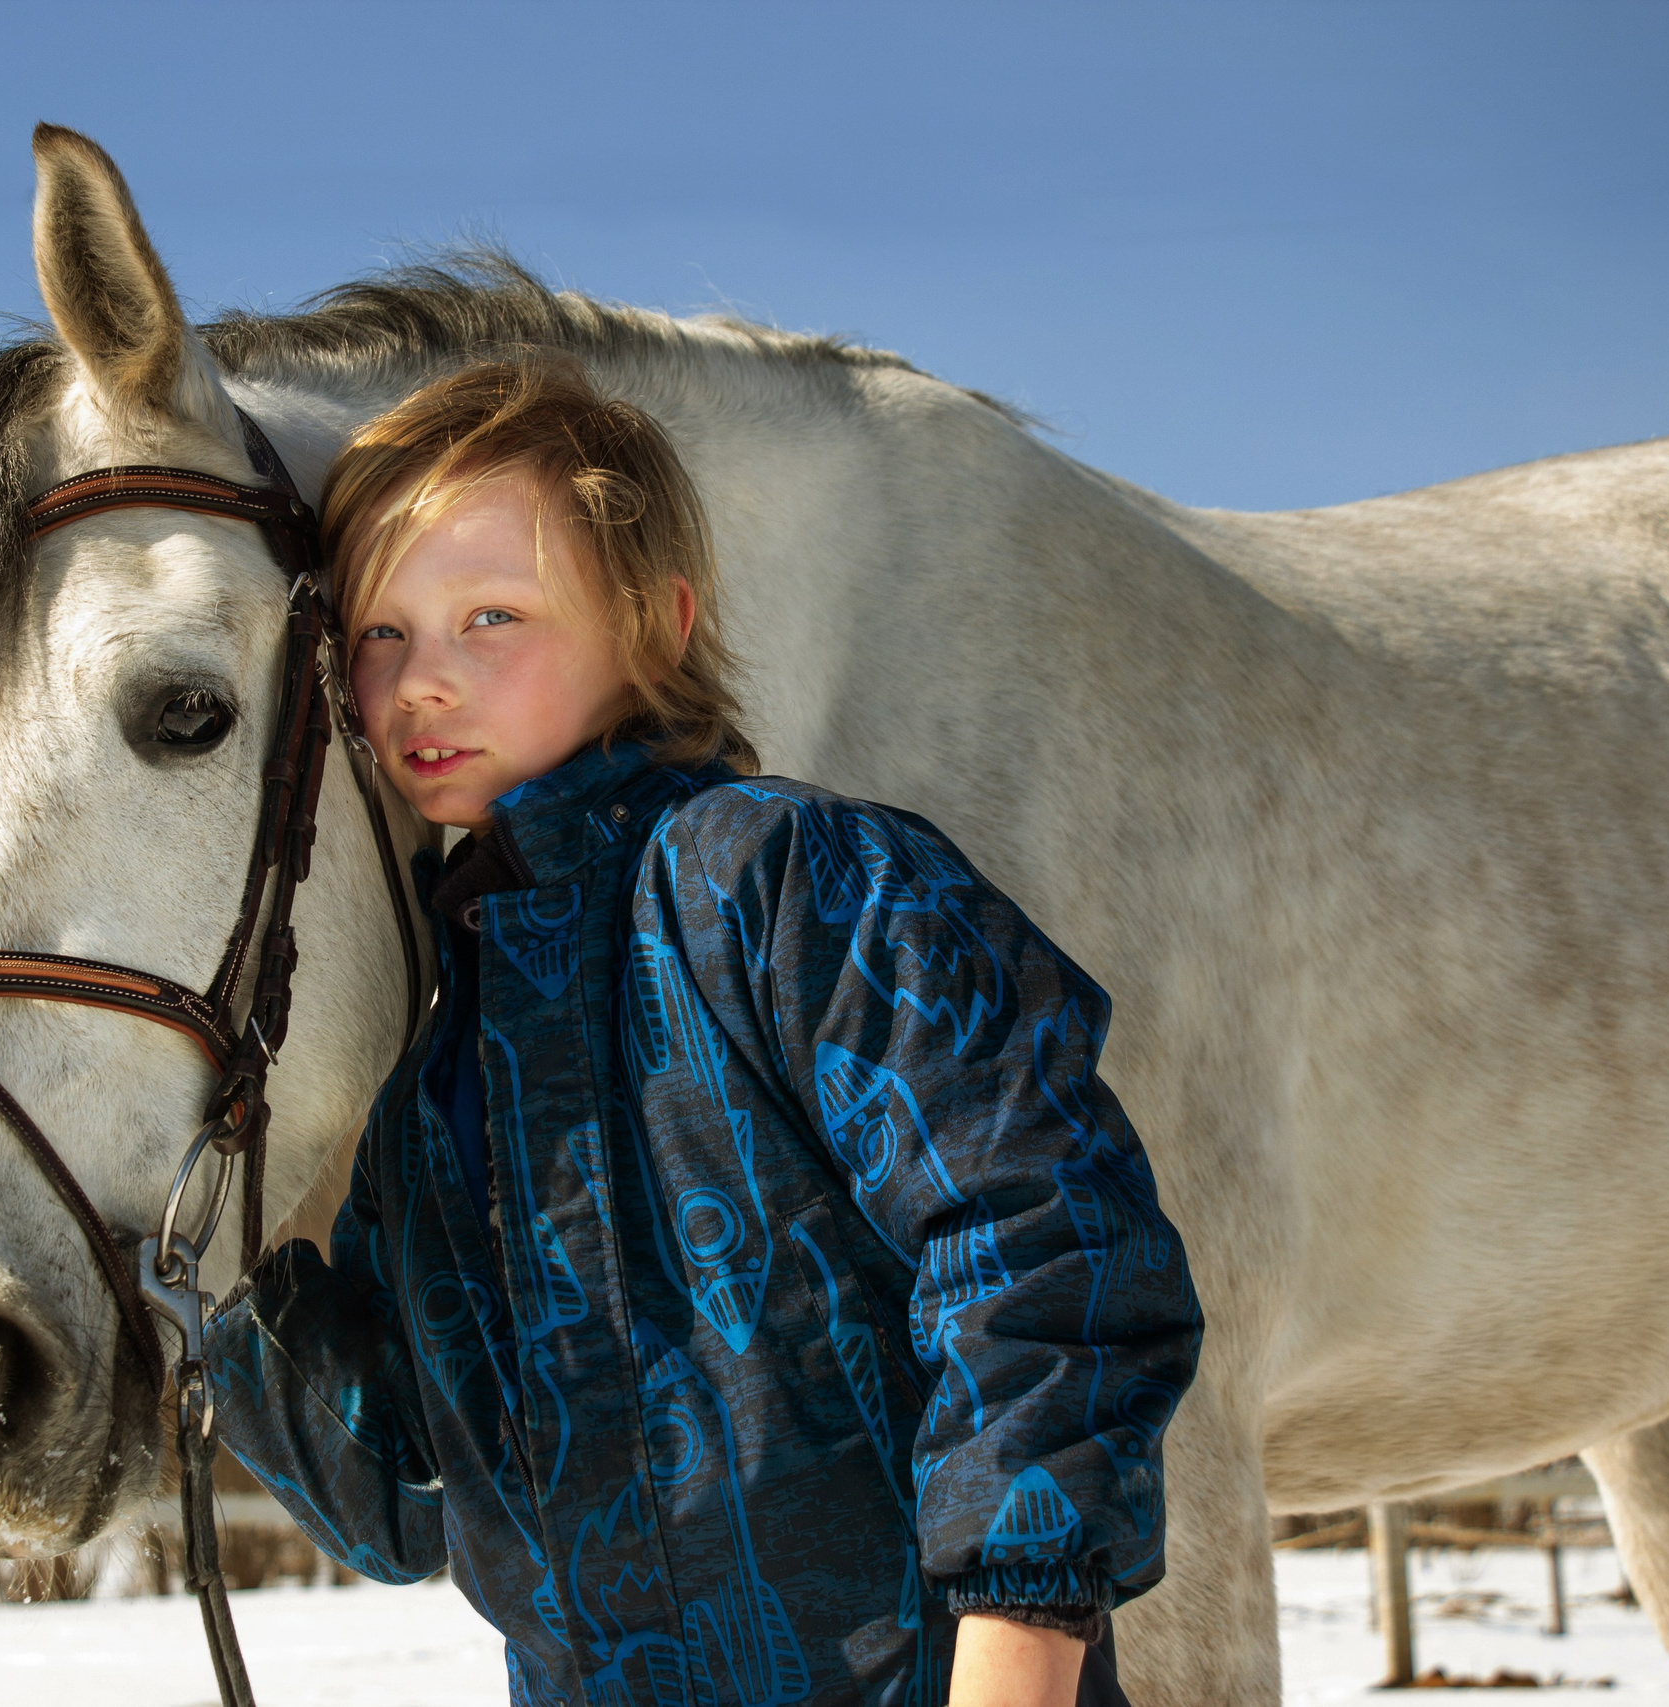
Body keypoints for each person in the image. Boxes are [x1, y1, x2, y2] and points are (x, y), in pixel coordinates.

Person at [203, 354, 1203, 1707]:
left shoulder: (789, 885)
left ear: (656, 627)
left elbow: (1041, 1242)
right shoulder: (436, 1066)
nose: (423, 680)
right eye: (381, 634)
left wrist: (1019, 1639)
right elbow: (404, 1500)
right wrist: (217, 1309)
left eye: (489, 616)